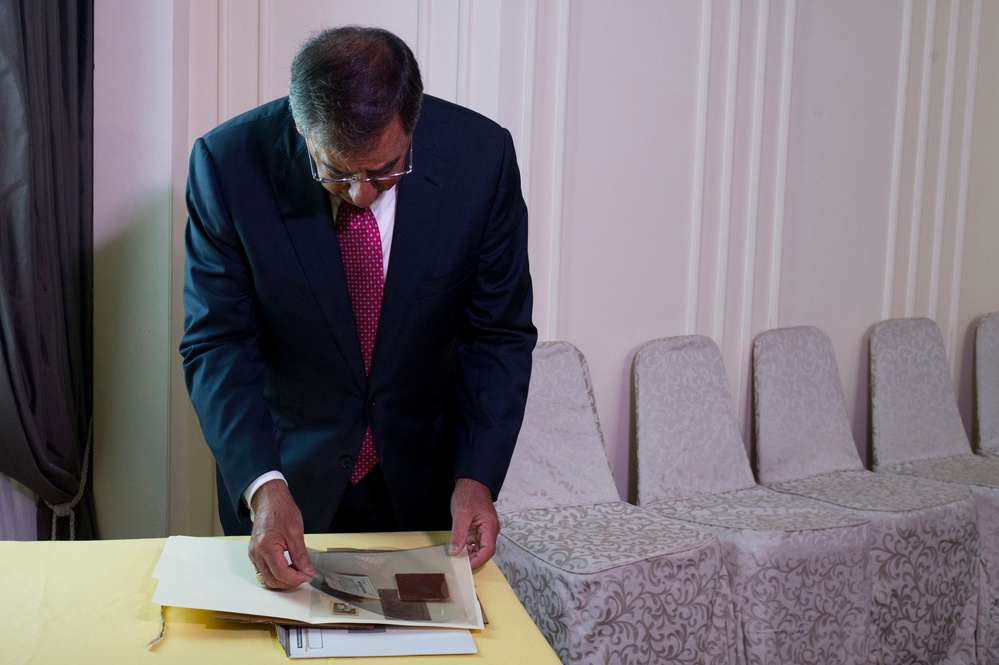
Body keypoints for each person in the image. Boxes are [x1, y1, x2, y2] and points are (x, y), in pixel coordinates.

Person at [180, 25, 536, 590]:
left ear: (412, 122)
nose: (363, 193)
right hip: (284, 486)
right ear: (302, 130)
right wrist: (264, 486)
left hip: (426, 488)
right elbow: (217, 343)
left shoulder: (482, 159)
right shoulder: (227, 166)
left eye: (385, 169)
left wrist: (478, 476)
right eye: (338, 172)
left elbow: (496, 335)